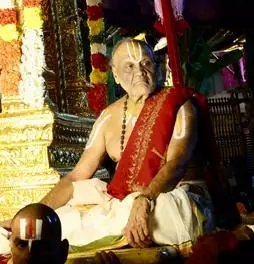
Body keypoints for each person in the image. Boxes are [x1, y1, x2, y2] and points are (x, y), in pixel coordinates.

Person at [42, 38, 212, 249]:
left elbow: (176, 164)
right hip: (125, 201)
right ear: (115, 75)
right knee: (61, 219)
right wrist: (36, 213)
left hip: (173, 196)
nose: (139, 72)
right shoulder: (108, 117)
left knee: (164, 213)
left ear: (157, 67)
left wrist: (145, 200)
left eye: (146, 63)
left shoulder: (179, 106)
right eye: (129, 66)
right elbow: (76, 176)